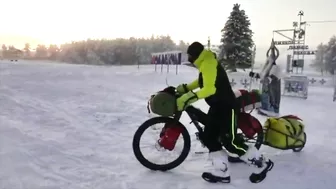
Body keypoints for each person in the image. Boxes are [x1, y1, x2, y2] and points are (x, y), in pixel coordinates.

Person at [175, 41, 273, 183]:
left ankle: (262, 163)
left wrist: (187, 98)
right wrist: (185, 88)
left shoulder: (208, 63)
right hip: (217, 106)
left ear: (195, 55)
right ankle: (222, 172)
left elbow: (209, 89)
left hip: (227, 107)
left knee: (230, 142)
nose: (189, 59)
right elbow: (201, 81)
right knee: (209, 137)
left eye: (190, 56)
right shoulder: (205, 63)